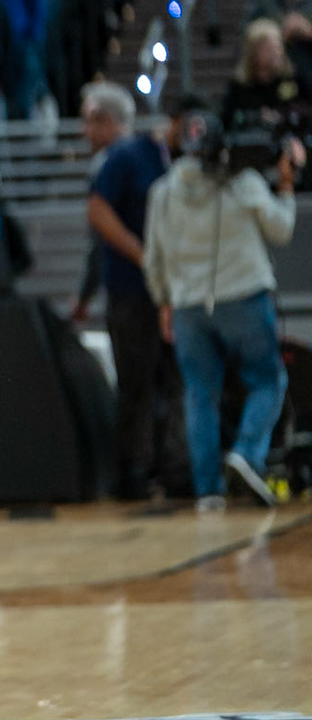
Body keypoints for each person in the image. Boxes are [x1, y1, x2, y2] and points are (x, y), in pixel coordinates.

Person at [142, 110, 301, 509]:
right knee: (268, 380)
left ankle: (208, 492)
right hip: (244, 298)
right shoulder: (242, 184)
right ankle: (247, 454)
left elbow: (152, 258)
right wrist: (285, 186)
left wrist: (164, 301)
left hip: (188, 307)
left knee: (199, 395)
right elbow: (281, 229)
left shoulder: (163, 191)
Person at [85, 83, 180, 500]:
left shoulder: (185, 160)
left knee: (176, 383)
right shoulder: (126, 157)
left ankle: (174, 468)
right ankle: (134, 474)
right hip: (131, 291)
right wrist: (143, 256)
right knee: (136, 385)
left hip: (176, 292)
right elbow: (97, 212)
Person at [243, 0, 312, 83]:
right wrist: (280, 33)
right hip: (276, 80)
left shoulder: (309, 2)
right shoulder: (264, 5)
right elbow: (248, 38)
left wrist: (307, 31)